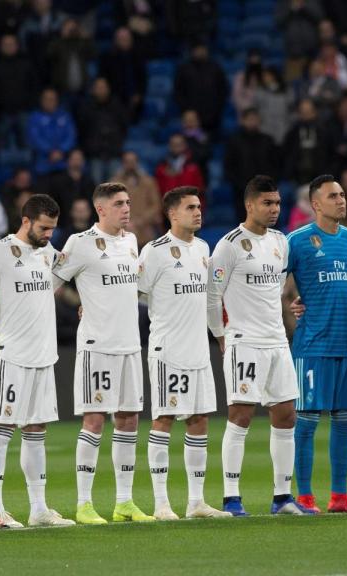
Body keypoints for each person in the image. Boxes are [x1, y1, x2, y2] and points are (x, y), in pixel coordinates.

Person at [206, 175, 310, 516]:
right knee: (241, 414)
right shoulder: (229, 244)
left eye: (278, 203)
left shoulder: (281, 241)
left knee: (286, 415)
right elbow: (212, 295)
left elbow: (278, 287)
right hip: (245, 342)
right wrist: (221, 334)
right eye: (267, 203)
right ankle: (231, 497)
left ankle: (282, 497)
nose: (275, 209)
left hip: (277, 341)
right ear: (250, 205)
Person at [51, 182, 153, 525]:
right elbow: (51, 283)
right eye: (120, 204)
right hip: (97, 346)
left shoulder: (130, 241)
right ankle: (83, 503)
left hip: (129, 345)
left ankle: (124, 501)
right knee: (94, 420)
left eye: (128, 202)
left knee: (128, 419)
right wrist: (80, 306)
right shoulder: (79, 244)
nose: (127, 209)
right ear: (101, 210)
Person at [0, 194, 76, 528]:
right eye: (44, 228)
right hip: (11, 356)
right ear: (26, 221)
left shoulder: (49, 253)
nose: (49, 234)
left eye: (52, 228)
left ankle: (38, 509)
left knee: (36, 430)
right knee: (1, 428)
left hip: (43, 356)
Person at [137, 187, 232, 520]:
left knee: (199, 420)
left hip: (198, 350)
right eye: (190, 207)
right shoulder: (155, 251)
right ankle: (162, 503)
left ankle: (196, 502)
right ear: (172, 214)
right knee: (163, 420)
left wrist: (219, 336)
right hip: (168, 350)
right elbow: (134, 292)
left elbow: (209, 300)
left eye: (199, 206)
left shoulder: (204, 248)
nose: (198, 212)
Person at [285, 175, 347, 514]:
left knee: (344, 421)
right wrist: (292, 304)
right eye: (333, 196)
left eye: (342, 195)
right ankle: (305, 497)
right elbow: (273, 283)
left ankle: (339, 497)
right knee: (305, 422)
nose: (341, 200)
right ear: (316, 204)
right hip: (312, 345)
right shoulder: (298, 240)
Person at [27, 88, 77, 176]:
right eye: (46, 99)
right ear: (41, 101)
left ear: (57, 101)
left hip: (63, 162)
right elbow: (35, 138)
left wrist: (61, 150)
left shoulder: (65, 116)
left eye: (52, 99)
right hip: (42, 164)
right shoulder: (35, 118)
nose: (49, 102)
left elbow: (71, 136)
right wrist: (50, 151)